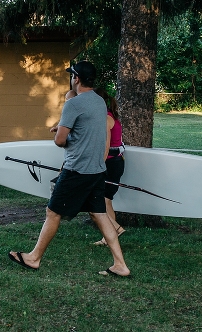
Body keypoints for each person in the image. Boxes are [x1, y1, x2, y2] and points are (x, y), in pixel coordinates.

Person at [7, 61, 130, 277]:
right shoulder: (100, 102)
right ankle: (120, 264)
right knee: (99, 213)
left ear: (77, 78)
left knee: (53, 212)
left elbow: (60, 140)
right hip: (96, 169)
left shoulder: (73, 104)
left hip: (77, 169)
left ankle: (34, 258)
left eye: (72, 76)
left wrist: (61, 134)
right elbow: (89, 132)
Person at [91, 87, 125, 246]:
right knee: (106, 201)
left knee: (103, 201)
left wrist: (99, 165)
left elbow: (105, 147)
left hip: (110, 163)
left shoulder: (106, 119)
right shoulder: (109, 116)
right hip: (114, 162)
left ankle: (116, 229)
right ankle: (109, 236)